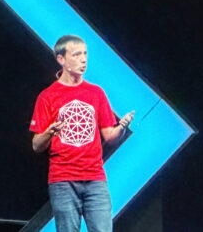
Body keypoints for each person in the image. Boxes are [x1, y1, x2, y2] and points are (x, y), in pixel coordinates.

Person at [30, 34, 134, 232]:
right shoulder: (47, 97)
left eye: (85, 54)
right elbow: (36, 145)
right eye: (77, 54)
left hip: (95, 180)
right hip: (63, 181)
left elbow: (109, 137)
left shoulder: (96, 93)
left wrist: (121, 127)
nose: (83, 59)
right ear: (61, 59)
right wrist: (48, 134)